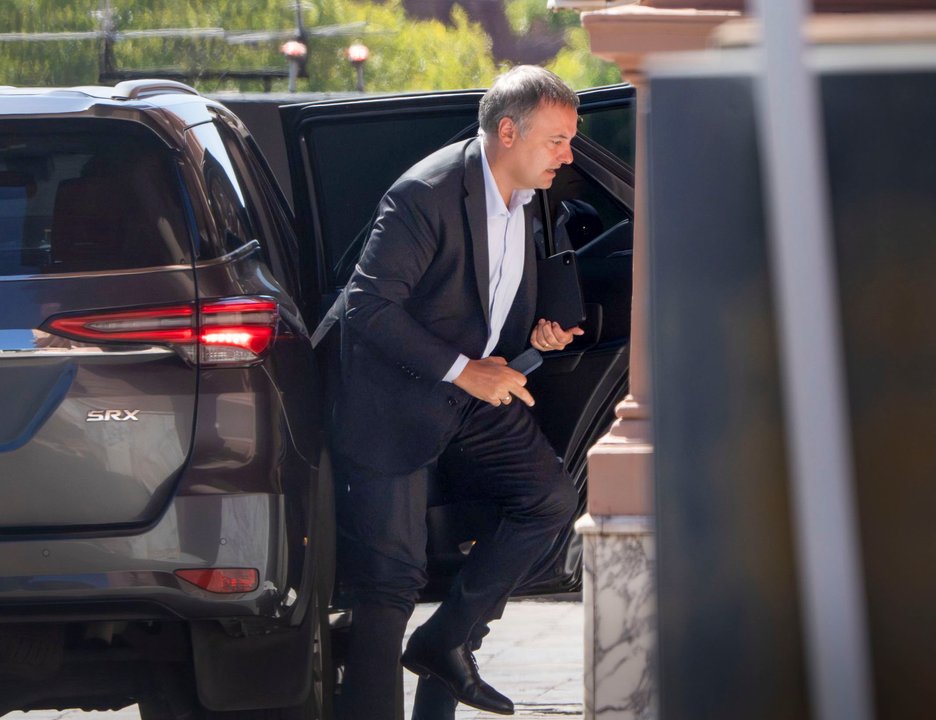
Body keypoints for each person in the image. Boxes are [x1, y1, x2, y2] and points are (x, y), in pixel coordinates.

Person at [332, 65, 583, 720]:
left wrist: (539, 332)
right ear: (509, 132)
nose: (567, 155)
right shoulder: (425, 194)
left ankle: (446, 641)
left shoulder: (529, 199)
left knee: (549, 500)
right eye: (557, 140)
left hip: (469, 397)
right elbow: (367, 307)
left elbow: (482, 300)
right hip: (392, 403)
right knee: (387, 587)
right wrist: (465, 371)